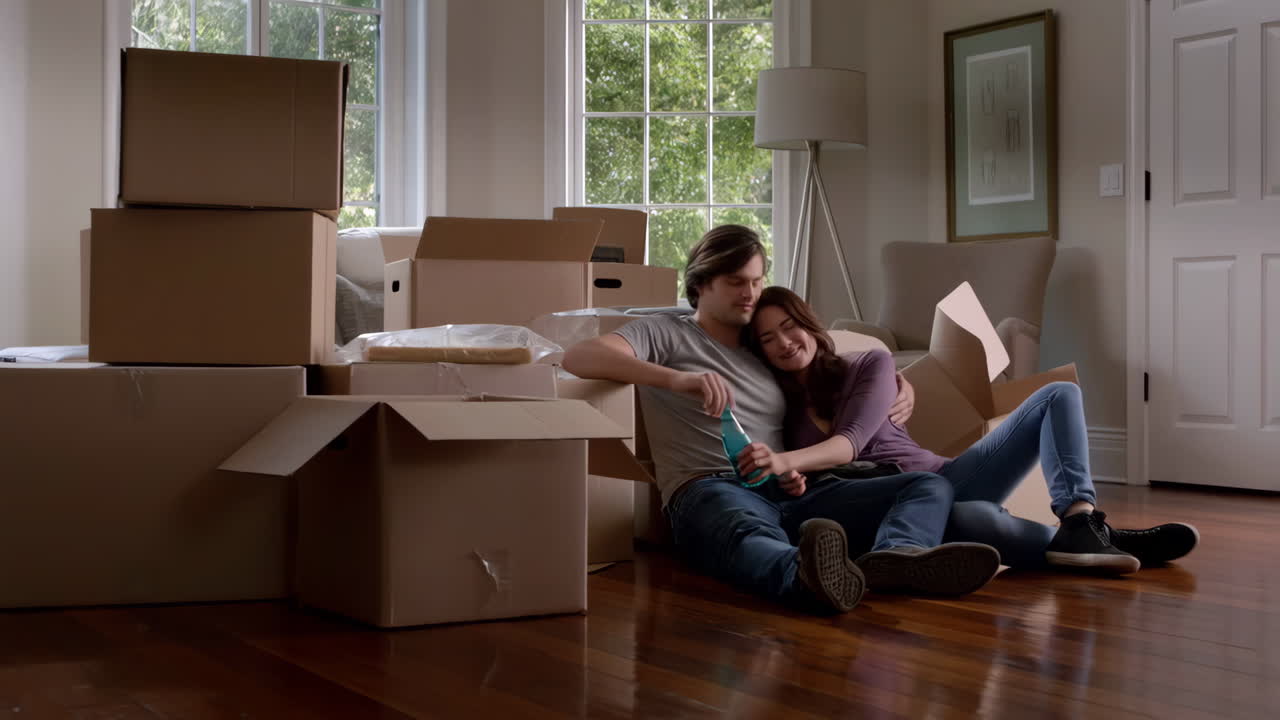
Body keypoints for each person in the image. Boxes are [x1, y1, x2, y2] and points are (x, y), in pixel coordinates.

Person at [563, 225, 1001, 615]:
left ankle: (897, 560)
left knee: (925, 485)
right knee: (746, 533)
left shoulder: (761, 343)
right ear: (700, 284)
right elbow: (580, 356)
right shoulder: (666, 331)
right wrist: (679, 380)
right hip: (709, 485)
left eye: (756, 281)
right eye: (736, 282)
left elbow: (830, 357)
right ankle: (802, 577)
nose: (750, 293)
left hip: (795, 489)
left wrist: (900, 382)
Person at [741, 285, 1199, 573]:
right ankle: (1100, 541)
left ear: (808, 324)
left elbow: (850, 445)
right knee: (977, 523)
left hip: (948, 479)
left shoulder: (869, 364)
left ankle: (1079, 517)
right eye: (767, 338)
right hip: (892, 511)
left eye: (789, 327)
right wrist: (791, 475)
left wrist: (785, 459)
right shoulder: (780, 403)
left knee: (1059, 395)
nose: (784, 342)